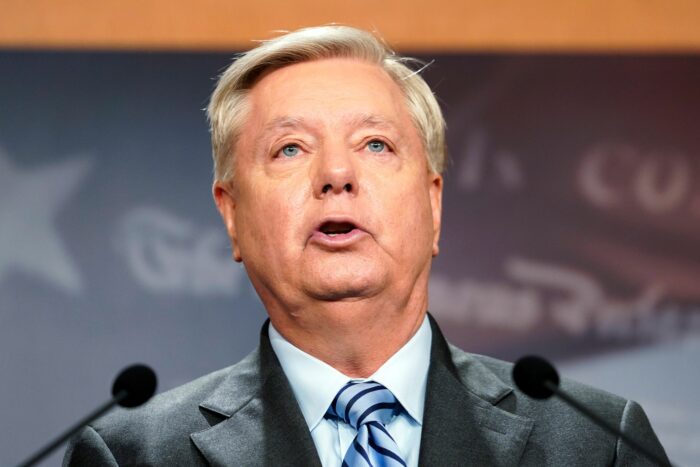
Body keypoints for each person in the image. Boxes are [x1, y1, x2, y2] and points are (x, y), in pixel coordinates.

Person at [64, 25, 669, 466]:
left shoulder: (597, 444)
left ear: (433, 204)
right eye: (290, 149)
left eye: (375, 144)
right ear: (232, 216)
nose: (336, 174)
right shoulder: (133, 455)